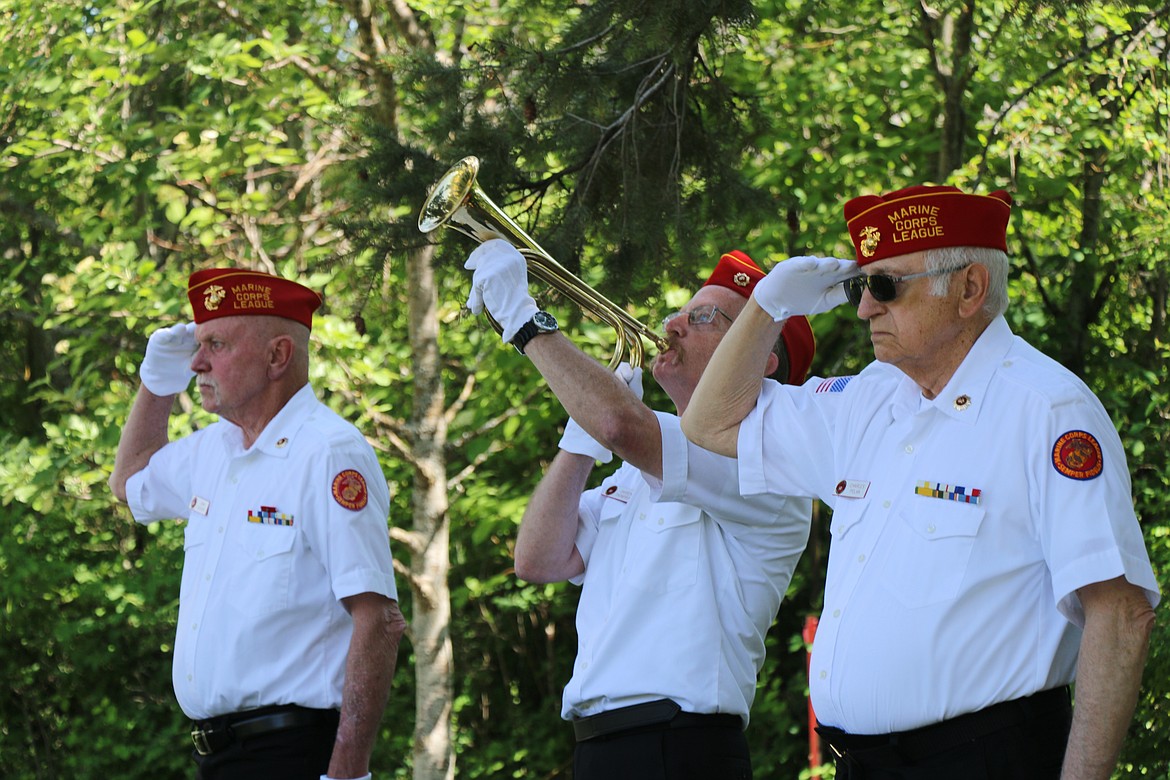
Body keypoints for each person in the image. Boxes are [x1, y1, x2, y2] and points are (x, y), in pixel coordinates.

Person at [679, 185, 1161, 780]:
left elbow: (1120, 613)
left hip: (986, 759)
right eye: (862, 286)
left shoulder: (1046, 411)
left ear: (969, 290)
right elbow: (708, 424)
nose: (863, 309)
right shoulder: (869, 401)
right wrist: (767, 307)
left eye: (886, 287)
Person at [462, 239, 817, 780]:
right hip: (601, 745)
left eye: (703, 318)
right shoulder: (637, 469)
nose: (673, 325)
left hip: (681, 746)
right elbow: (538, 559)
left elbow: (621, 426)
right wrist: (577, 446)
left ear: (759, 359)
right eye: (681, 312)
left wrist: (522, 320)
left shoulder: (764, 454)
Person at [108, 268, 406, 780]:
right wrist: (155, 385)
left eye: (216, 344)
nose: (197, 362)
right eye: (198, 345)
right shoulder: (213, 449)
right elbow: (129, 482)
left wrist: (347, 771)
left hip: (292, 753)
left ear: (277, 357)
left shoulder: (328, 453)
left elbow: (378, 619)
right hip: (217, 757)